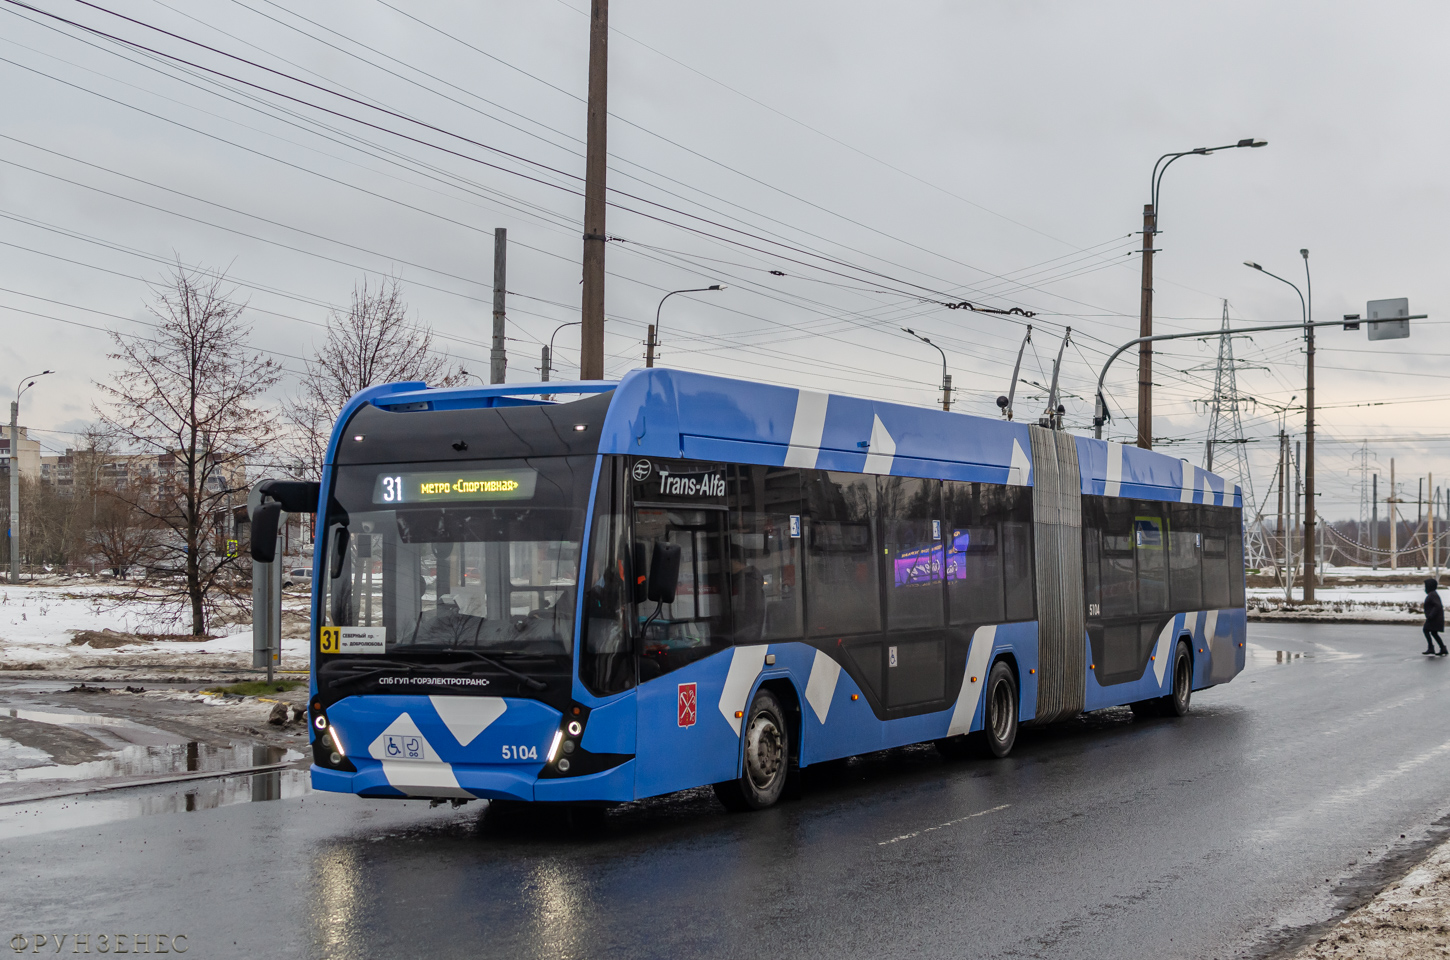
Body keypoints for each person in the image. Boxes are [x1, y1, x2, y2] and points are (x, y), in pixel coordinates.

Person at [1424, 578, 1447, 656]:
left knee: (1426, 630)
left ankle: (1431, 648)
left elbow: (1437, 606)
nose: (1425, 588)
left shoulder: (1432, 595)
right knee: (1434, 633)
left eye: (1426, 586)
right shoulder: (1432, 594)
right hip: (1435, 618)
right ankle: (1442, 648)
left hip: (1434, 618)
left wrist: (1431, 615)